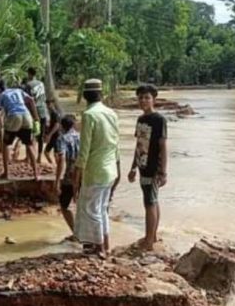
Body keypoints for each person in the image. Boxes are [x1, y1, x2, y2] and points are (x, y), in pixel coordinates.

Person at [72, 78, 121, 258]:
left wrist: (76, 178)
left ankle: (99, 248)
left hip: (95, 171)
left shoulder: (89, 115)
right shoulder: (112, 114)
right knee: (102, 209)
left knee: (92, 211)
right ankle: (105, 246)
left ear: (85, 96)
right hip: (110, 171)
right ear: (101, 94)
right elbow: (116, 145)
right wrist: (118, 169)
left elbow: (83, 152)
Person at [127, 84, 168, 251]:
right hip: (142, 165)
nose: (143, 100)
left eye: (147, 97)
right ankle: (152, 236)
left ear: (154, 100)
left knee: (149, 203)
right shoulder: (141, 120)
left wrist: (163, 172)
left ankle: (149, 241)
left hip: (153, 167)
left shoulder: (159, 120)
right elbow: (139, 144)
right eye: (141, 98)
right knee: (152, 200)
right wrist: (133, 167)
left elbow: (163, 146)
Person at [0, 80, 40, 180]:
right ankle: (36, 174)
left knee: (6, 144)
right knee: (29, 144)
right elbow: (31, 100)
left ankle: (6, 173)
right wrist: (36, 117)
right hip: (26, 116)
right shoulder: (18, 90)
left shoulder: (1, 95)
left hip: (14, 116)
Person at [54, 114, 80, 240]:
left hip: (69, 177)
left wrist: (57, 180)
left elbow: (61, 159)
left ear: (61, 126)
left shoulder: (62, 139)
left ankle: (76, 233)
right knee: (82, 205)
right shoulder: (80, 136)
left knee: (64, 206)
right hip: (82, 174)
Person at [26, 67, 49, 164]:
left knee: (30, 134)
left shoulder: (28, 85)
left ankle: (29, 157)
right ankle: (39, 156)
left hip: (33, 112)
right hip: (43, 110)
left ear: (29, 74)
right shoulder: (41, 84)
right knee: (40, 135)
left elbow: (28, 100)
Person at [43, 99, 63, 165]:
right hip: (53, 135)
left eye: (49, 104)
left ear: (53, 104)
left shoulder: (55, 113)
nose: (48, 106)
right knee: (46, 152)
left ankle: (58, 167)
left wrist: (50, 134)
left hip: (56, 135)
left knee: (56, 153)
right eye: (47, 105)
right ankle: (53, 165)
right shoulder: (52, 114)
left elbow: (57, 125)